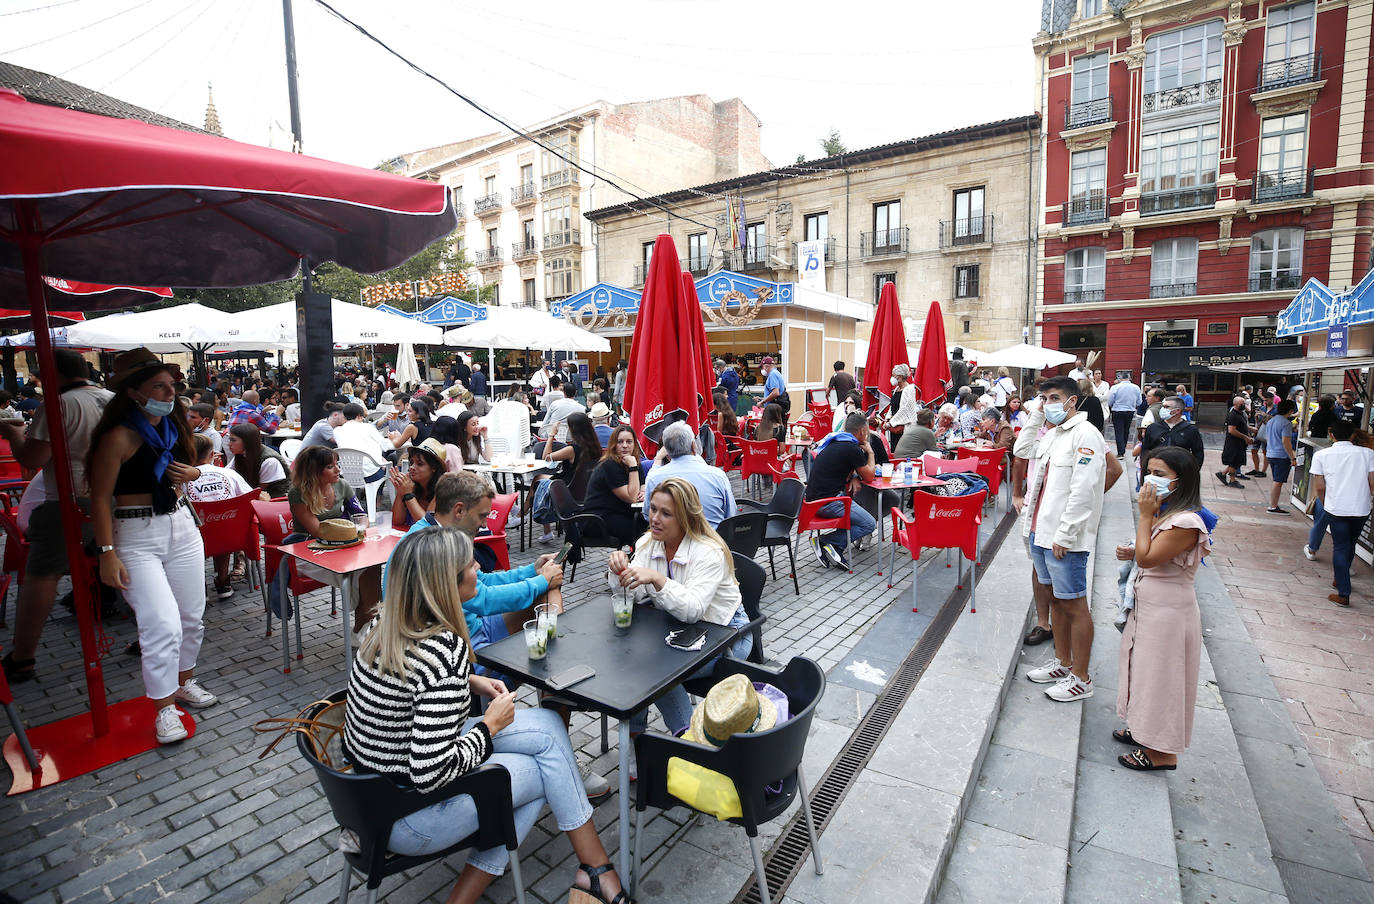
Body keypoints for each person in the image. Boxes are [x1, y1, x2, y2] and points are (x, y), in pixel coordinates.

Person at [346, 528, 631, 904]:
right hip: (408, 817)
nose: (478, 568)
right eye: (469, 565)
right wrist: (488, 726)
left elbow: (413, 691)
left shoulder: (387, 627)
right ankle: (597, 872)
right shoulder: (441, 651)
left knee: (548, 729)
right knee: (550, 771)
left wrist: (469, 682)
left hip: (367, 799)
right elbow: (429, 771)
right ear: (445, 584)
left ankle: (593, 870)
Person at [87, 348, 216, 745]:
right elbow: (100, 498)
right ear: (134, 393)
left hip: (180, 524)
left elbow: (194, 468)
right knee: (161, 623)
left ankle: (183, 682)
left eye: (170, 385)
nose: (169, 392)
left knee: (192, 616)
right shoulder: (117, 436)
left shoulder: (174, 427)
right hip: (136, 534)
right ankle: (163, 708)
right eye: (158, 386)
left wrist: (195, 471)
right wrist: (106, 553)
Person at [607, 478, 752, 779]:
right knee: (637, 663)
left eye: (665, 513)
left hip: (725, 632)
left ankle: (692, 750)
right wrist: (619, 572)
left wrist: (657, 579)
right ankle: (638, 743)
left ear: (685, 517)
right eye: (653, 510)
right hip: (677, 631)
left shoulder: (708, 551)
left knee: (656, 671)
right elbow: (631, 597)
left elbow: (694, 610)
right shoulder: (649, 544)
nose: (655, 519)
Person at [0, 351, 114, 683]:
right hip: (114, 496)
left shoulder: (59, 405)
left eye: (39, 376)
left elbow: (34, 458)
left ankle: (23, 657)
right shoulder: (110, 399)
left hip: (70, 500)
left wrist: (13, 436)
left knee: (41, 575)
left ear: (53, 374)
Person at [1113, 446, 1209, 771]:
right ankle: (1142, 728)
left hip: (1169, 614)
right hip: (1150, 607)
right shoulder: (1165, 512)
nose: (1150, 480)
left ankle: (1162, 752)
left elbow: (1148, 557)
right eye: (1148, 472)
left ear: (1180, 482)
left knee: (1163, 678)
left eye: (1160, 475)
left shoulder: (1186, 521)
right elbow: (1147, 552)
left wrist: (1143, 518)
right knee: (1142, 670)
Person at [1022, 376, 1106, 702]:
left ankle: (1081, 678)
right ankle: (1063, 661)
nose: (1048, 404)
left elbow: (1083, 489)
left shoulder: (1086, 435)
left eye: (1054, 397)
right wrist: (1036, 415)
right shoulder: (1055, 434)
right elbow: (1023, 448)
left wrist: (1067, 534)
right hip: (1040, 530)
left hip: (1063, 536)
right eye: (1044, 398)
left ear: (1072, 400)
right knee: (1055, 599)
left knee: (1074, 604)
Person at [1308, 419, 1374, 606]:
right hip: (1361, 508)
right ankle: (1340, 577)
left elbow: (1320, 487)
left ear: (1331, 434)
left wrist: (1325, 503)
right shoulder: (1368, 453)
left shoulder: (1322, 455)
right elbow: (1372, 483)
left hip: (1336, 508)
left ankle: (1343, 592)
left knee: (1340, 546)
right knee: (1350, 544)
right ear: (1353, 435)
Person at [804, 410, 878, 569]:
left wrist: (853, 477)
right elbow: (870, 476)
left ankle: (836, 548)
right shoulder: (852, 449)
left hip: (811, 501)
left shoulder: (835, 441)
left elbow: (839, 467)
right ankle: (827, 541)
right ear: (862, 431)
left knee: (856, 515)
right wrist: (870, 452)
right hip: (828, 503)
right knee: (869, 524)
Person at [184, 433, 253, 599]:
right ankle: (223, 581)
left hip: (196, 539)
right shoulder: (230, 474)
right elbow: (251, 498)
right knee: (224, 525)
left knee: (199, 529)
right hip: (232, 538)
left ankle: (200, 587)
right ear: (211, 455)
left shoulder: (181, 480)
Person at [644, 421, 738, 528]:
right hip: (713, 542)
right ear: (694, 447)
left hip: (673, 542)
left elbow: (648, 516)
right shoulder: (718, 476)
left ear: (666, 451)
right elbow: (731, 515)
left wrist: (657, 459)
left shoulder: (654, 478)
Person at [581, 426, 645, 547]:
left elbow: (642, 483)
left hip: (619, 512)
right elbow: (631, 497)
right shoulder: (609, 465)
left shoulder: (633, 460)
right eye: (620, 442)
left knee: (650, 526)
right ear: (613, 444)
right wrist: (633, 468)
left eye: (629, 441)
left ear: (634, 444)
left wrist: (643, 491)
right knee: (641, 534)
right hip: (599, 518)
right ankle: (635, 563)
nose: (625, 445)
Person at [391, 438, 446, 529]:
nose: (412, 467)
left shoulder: (442, 489)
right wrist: (401, 491)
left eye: (420, 464)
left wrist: (408, 495)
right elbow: (396, 521)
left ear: (434, 468)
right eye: (411, 462)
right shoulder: (410, 486)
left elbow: (427, 526)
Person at [1139, 396, 1204, 467]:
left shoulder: (1190, 429)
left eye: (1166, 407)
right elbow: (1145, 450)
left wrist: (1193, 472)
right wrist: (1145, 467)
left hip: (1180, 470)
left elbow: (1198, 453)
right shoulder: (1153, 428)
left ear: (1177, 410)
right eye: (1162, 406)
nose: (1162, 409)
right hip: (1156, 468)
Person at [1259, 399, 1298, 514]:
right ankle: (1273, 506)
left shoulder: (1271, 421)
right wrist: (1292, 457)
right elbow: (1286, 441)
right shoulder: (1286, 423)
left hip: (1271, 453)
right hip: (1281, 455)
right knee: (1278, 481)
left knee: (1276, 480)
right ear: (1290, 411)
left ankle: (1273, 505)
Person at [1216, 395, 1250, 488]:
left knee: (1236, 462)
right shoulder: (1233, 415)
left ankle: (1223, 474)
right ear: (1235, 404)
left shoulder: (1241, 414)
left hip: (1240, 443)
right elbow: (1232, 430)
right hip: (1233, 443)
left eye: (1244, 403)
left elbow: (1242, 425)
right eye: (1241, 404)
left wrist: (1250, 429)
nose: (1243, 405)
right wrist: (1245, 437)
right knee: (1233, 462)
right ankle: (1232, 480)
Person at [1106, 374, 1142, 458]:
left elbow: (1110, 400)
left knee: (1119, 431)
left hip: (1117, 410)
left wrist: (1111, 406)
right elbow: (1139, 402)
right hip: (1130, 410)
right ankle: (1123, 448)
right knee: (1126, 430)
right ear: (1129, 378)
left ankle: (1120, 452)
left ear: (1120, 378)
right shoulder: (1136, 387)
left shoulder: (1115, 387)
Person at [884, 364, 918, 445]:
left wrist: (890, 422)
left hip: (903, 428)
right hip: (894, 428)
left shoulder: (909, 389)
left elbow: (905, 409)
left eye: (894, 375)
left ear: (900, 376)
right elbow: (892, 406)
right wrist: (887, 418)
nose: (892, 377)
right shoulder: (896, 389)